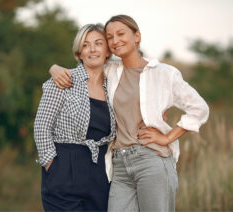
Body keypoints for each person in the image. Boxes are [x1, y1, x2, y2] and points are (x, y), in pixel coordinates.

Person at [49, 15, 209, 212]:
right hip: (119, 166)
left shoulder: (164, 73)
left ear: (137, 36)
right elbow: (86, 69)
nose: (115, 40)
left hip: (152, 159)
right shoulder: (111, 72)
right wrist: (54, 69)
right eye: (109, 37)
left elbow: (199, 108)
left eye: (121, 34)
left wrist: (167, 137)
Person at [33, 24, 116, 211]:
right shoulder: (62, 80)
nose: (93, 49)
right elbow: (41, 126)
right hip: (63, 169)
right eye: (86, 45)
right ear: (79, 53)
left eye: (98, 43)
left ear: (107, 51)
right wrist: (51, 166)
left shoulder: (115, 84)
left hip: (100, 174)